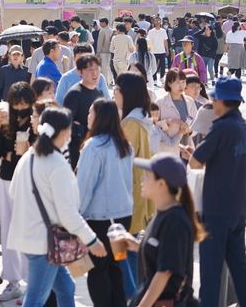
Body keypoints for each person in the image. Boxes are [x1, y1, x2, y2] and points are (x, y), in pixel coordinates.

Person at [8, 107, 107, 307]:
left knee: (65, 288)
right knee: (35, 300)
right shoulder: (57, 164)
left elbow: (13, 192)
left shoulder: (29, 155)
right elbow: (68, 214)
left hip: (31, 237)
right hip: (45, 243)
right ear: (63, 132)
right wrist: (92, 240)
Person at [185, 76, 246, 306]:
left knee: (211, 271)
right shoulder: (242, 126)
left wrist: (191, 154)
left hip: (216, 209)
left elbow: (195, 162)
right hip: (238, 208)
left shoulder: (221, 128)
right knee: (239, 267)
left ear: (220, 101)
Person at [119, 154, 204, 306]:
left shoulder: (175, 220)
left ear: (162, 184)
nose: (142, 180)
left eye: (148, 176)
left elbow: (165, 272)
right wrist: (138, 246)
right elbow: (165, 252)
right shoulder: (161, 213)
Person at [77, 99, 133, 307]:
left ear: (99, 117)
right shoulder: (124, 144)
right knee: (116, 267)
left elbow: (84, 187)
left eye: (91, 112)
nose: (87, 116)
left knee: (97, 270)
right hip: (123, 217)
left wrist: (76, 218)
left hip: (100, 220)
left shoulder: (94, 146)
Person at [0, 82, 36, 302]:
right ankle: (12, 280)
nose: (20, 109)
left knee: (27, 231)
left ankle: (31, 281)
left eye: (25, 104)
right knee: (7, 230)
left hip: (27, 183)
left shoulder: (35, 121)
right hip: (6, 179)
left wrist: (21, 152)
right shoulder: (5, 119)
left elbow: (35, 154)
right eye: (16, 104)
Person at [114, 71, 156, 296]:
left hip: (129, 192)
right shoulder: (143, 117)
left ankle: (134, 297)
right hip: (141, 189)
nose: (114, 93)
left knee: (124, 247)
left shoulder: (131, 123)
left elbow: (122, 160)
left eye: (117, 90)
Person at [63, 54, 105, 169]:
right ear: (80, 72)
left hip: (96, 147)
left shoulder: (99, 93)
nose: (95, 73)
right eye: (90, 69)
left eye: (97, 69)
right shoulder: (74, 94)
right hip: (77, 149)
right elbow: (66, 125)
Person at [156, 69, 197, 152]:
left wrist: (189, 130)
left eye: (183, 82)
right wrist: (166, 123)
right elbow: (151, 125)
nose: (181, 86)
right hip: (167, 149)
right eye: (178, 82)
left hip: (187, 147)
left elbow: (196, 123)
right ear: (169, 83)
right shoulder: (160, 102)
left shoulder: (190, 101)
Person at [146, 17, 169, 84]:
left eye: (159, 21)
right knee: (154, 65)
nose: (158, 22)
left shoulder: (163, 31)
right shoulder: (151, 31)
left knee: (163, 65)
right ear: (154, 22)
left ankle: (162, 77)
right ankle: (154, 79)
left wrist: (167, 49)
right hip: (154, 51)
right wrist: (149, 50)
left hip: (162, 50)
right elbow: (148, 41)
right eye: (156, 21)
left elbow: (165, 41)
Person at [96, 18, 114, 85]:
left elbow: (100, 42)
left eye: (101, 22)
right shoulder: (111, 30)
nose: (100, 24)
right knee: (109, 67)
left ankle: (105, 82)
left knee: (104, 68)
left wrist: (98, 52)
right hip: (110, 51)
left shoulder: (102, 30)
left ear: (104, 23)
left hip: (103, 52)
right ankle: (110, 80)